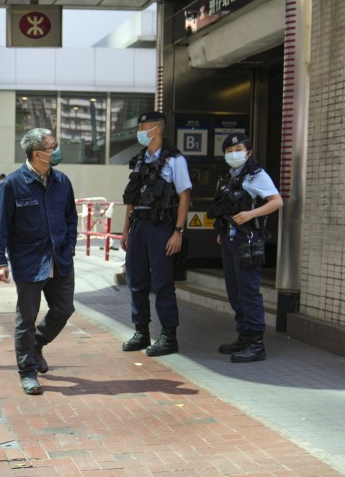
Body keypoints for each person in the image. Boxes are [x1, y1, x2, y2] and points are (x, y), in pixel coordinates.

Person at [0, 128, 77, 396]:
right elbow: (1, 224)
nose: (58, 150)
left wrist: (70, 246)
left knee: (64, 310)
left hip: (60, 259)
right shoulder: (13, 184)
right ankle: (28, 372)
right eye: (53, 147)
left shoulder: (62, 181)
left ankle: (36, 345)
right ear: (38, 153)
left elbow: (71, 218)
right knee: (26, 318)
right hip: (28, 261)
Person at [120, 111, 192, 357]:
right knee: (136, 280)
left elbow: (184, 196)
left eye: (143, 126)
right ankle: (141, 331)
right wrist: (126, 230)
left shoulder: (175, 160)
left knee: (162, 283)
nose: (139, 130)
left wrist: (178, 232)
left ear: (156, 130)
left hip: (162, 227)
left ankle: (169, 336)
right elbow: (131, 198)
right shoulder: (140, 159)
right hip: (139, 226)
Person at [208, 133, 282, 362]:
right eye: (229, 151)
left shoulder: (257, 175)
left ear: (248, 152)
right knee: (234, 292)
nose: (233, 154)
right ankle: (244, 336)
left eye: (238, 149)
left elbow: (276, 201)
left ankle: (257, 344)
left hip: (247, 240)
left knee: (249, 292)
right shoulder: (230, 177)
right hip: (230, 239)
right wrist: (222, 232)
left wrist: (251, 214)